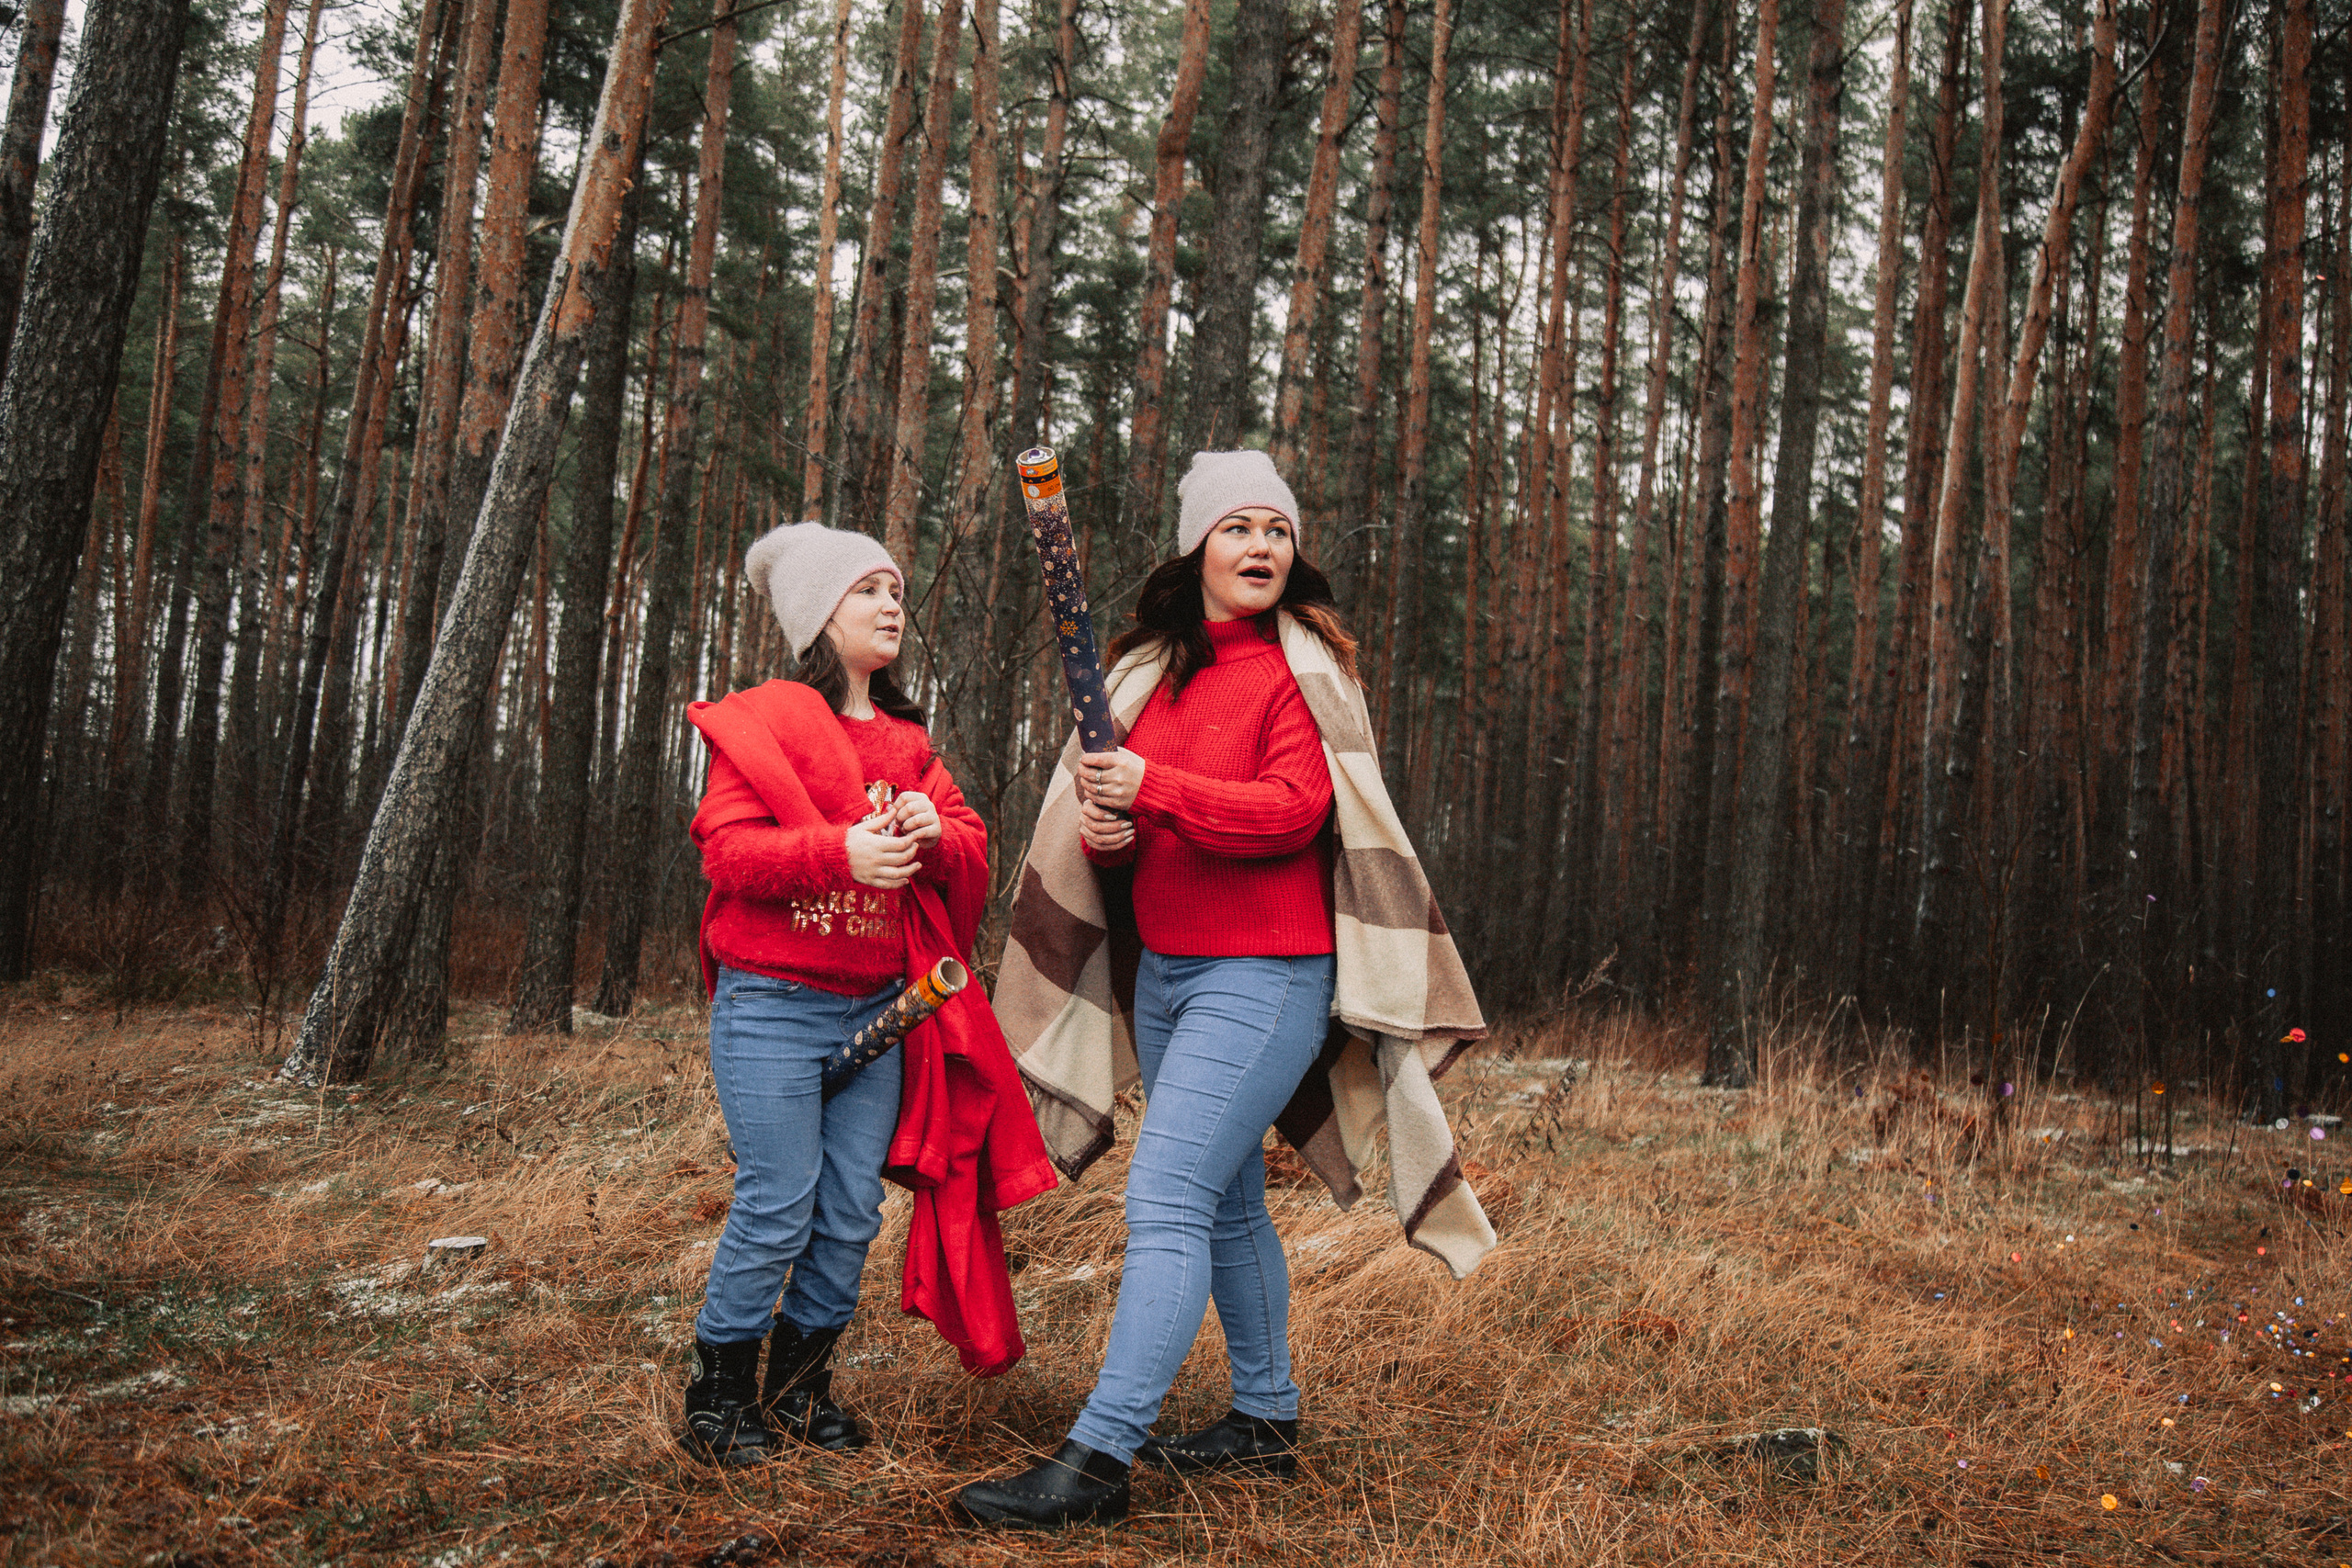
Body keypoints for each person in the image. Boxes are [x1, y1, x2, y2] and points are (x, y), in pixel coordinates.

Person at [959, 450, 1368, 1526]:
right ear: (1196, 550)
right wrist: (1117, 834)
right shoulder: (1149, 677)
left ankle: (1099, 1459)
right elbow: (1151, 829)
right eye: (1238, 528)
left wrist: (1156, 788)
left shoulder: (1297, 671)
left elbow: (1292, 812)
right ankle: (1265, 1420)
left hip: (1266, 973)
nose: (1261, 546)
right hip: (1170, 972)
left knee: (1168, 1198)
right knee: (1225, 1200)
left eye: (1277, 530)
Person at [679, 521, 1011, 1467]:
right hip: (772, 1003)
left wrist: (933, 833)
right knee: (779, 1200)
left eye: (896, 589)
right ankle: (719, 1394)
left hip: (879, 1010)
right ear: (819, 615)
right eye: (868, 589)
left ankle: (798, 1389)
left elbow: (970, 842)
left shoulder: (908, 742)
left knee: (850, 1209)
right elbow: (727, 853)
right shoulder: (766, 723)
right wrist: (839, 852)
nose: (891, 604)